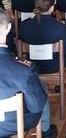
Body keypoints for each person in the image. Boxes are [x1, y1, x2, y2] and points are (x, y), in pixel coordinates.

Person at [0, 8, 57, 138]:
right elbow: (36, 107)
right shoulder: (24, 69)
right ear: (8, 28)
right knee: (40, 88)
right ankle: (46, 131)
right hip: (13, 124)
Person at [19, 0, 66, 74]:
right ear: (52, 7)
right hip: (55, 65)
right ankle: (59, 84)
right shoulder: (60, 26)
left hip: (32, 64)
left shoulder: (24, 25)